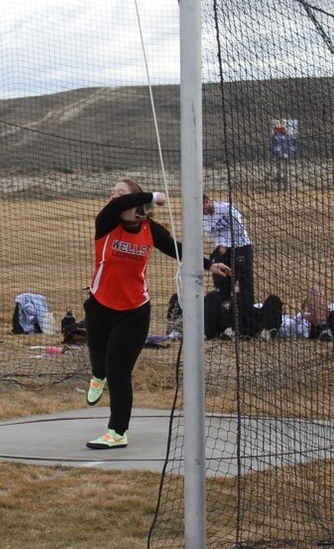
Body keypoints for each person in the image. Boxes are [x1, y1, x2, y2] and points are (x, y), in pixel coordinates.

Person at [83, 179, 231, 450]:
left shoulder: (149, 230)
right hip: (99, 307)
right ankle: (97, 375)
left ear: (138, 203)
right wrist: (153, 195)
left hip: (134, 312)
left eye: (121, 193)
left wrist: (211, 266)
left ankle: (117, 432)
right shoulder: (106, 222)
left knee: (119, 371)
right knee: (98, 360)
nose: (113, 196)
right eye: (113, 192)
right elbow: (121, 204)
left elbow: (180, 250)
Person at [203, 194, 255, 312]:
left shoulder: (226, 208)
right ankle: (224, 305)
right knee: (215, 264)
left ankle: (247, 309)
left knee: (245, 280)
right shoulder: (204, 218)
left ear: (207, 201)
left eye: (203, 209)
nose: (203, 213)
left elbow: (239, 228)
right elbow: (212, 235)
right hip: (223, 247)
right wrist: (222, 244)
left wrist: (227, 243)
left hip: (241, 245)